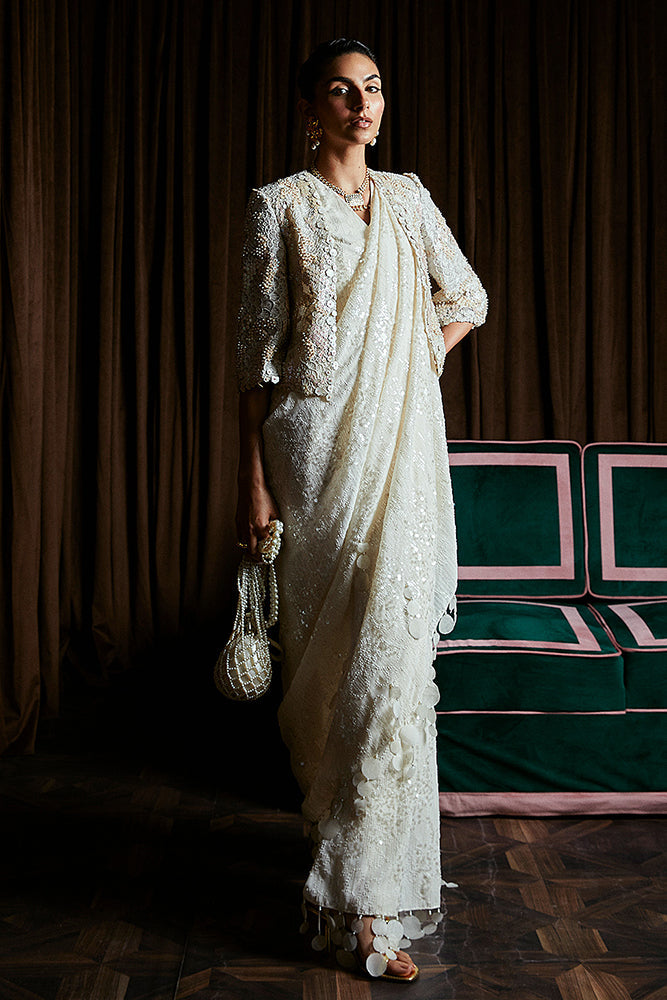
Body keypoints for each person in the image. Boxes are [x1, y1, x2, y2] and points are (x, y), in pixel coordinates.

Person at [235, 38, 487, 982]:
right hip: (311, 456)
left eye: (372, 88)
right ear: (312, 106)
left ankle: (368, 904)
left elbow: (467, 297)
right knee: (333, 674)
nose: (361, 104)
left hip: (399, 451)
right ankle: (340, 860)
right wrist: (253, 482)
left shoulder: (410, 200)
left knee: (390, 664)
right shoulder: (278, 207)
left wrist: (412, 359)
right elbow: (254, 359)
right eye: (341, 91)